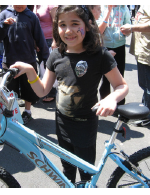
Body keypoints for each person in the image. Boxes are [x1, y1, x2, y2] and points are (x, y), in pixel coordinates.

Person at [10, 5, 128, 184]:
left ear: (87, 25)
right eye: (62, 24)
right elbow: (42, 91)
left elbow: (122, 85)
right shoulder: (56, 55)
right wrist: (30, 71)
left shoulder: (99, 55)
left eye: (74, 23)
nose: (68, 30)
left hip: (85, 125)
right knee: (66, 169)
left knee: (86, 171)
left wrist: (112, 98)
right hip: (62, 123)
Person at [0, 5, 49, 124]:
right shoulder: (4, 14)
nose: (20, 5)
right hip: (9, 61)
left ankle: (27, 112)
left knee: (29, 90)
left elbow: (40, 38)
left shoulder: (31, 16)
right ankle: (11, 113)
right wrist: (4, 25)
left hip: (28, 61)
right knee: (9, 91)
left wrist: (45, 59)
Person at [97, 5, 131, 105]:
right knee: (106, 77)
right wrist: (108, 12)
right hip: (106, 45)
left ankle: (120, 104)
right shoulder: (102, 8)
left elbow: (128, 24)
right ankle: (105, 102)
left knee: (120, 76)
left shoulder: (124, 8)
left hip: (120, 44)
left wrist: (125, 31)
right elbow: (99, 30)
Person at [34, 5, 58, 102]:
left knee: (50, 67)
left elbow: (56, 22)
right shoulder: (35, 5)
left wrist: (55, 40)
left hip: (49, 40)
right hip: (40, 41)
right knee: (43, 67)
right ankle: (46, 91)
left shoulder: (50, 4)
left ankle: (52, 93)